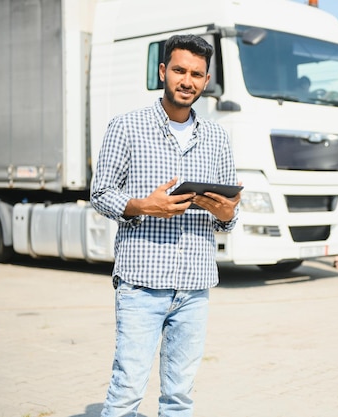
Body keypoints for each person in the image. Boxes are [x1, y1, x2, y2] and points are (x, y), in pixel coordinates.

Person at [91, 34, 241, 417]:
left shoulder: (217, 138)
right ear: (163, 71)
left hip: (194, 287)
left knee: (179, 399)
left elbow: (229, 216)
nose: (187, 80)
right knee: (126, 394)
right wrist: (143, 205)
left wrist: (225, 214)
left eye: (196, 73)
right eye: (179, 70)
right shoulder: (126, 127)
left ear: (206, 81)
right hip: (141, 284)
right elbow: (100, 193)